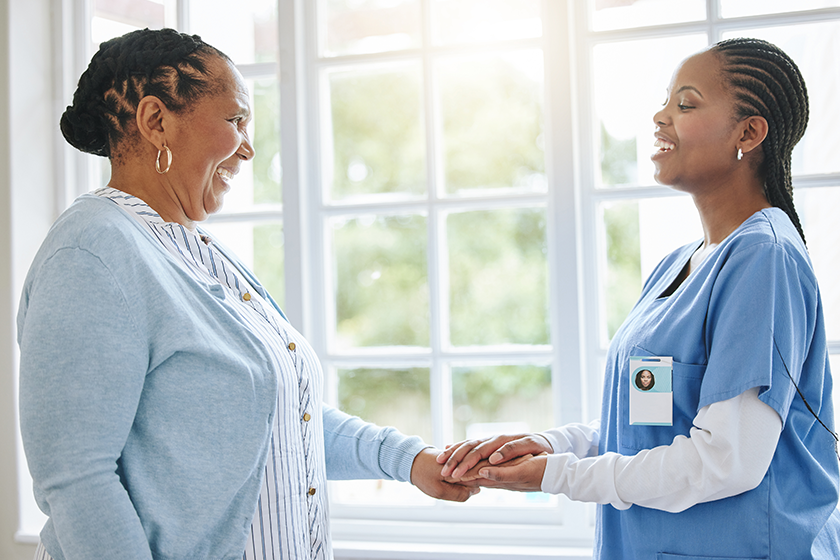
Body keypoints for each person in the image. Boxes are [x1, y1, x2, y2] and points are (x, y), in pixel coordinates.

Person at [18, 28, 474, 560]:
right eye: (236, 121)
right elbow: (75, 478)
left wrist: (412, 461)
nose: (249, 148)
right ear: (155, 122)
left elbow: (279, 418)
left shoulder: (196, 251)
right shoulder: (91, 253)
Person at [437, 38, 840, 558]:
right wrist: (557, 444)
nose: (660, 116)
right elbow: (650, 424)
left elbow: (725, 460)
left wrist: (557, 476)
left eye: (685, 104)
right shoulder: (678, 265)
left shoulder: (764, 258)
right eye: (666, 100)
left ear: (749, 132)